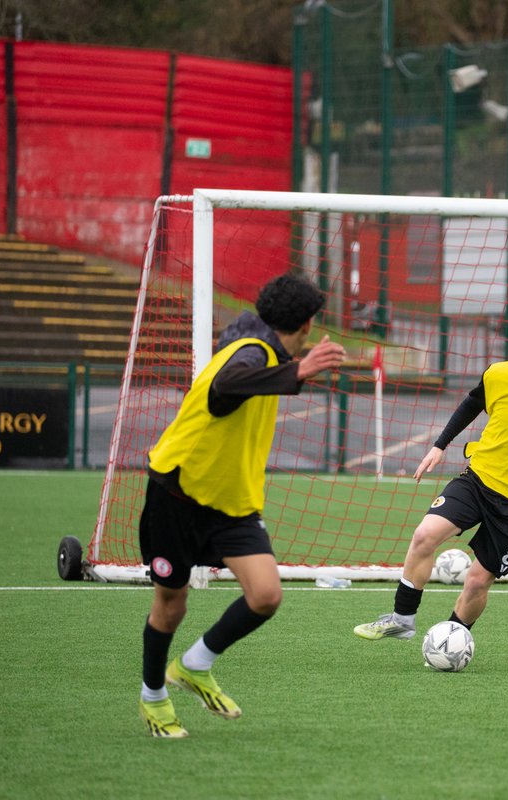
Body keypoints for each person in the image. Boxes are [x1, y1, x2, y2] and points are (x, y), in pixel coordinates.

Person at [136, 273, 346, 737]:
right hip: (178, 492)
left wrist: (293, 368)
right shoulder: (251, 352)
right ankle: (153, 697)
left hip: (231, 501)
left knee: (266, 595)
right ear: (307, 323)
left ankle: (194, 664)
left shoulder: (252, 339)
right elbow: (226, 386)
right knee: (171, 607)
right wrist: (299, 371)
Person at [353, 310, 508, 642]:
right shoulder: (497, 375)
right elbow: (470, 405)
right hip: (479, 480)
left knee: (476, 581)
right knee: (424, 535)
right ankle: (403, 618)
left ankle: (451, 641)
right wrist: (439, 445)